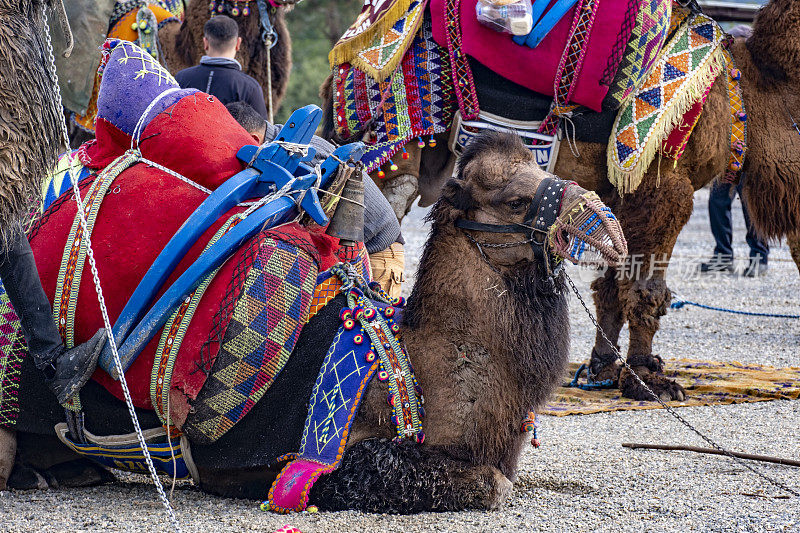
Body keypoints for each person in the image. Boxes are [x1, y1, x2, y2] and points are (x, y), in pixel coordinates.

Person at [226, 101, 406, 298]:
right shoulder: (287, 149)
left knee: (370, 323)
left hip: (379, 253)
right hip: (355, 252)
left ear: (253, 139)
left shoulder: (301, 154)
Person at [700, 24, 768, 278]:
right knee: (718, 202)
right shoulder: (722, 78)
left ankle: (759, 256)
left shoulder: (761, 82)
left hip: (751, 156)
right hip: (727, 156)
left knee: (752, 205)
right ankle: (723, 256)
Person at [175, 15, 268, 118]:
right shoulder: (250, 88)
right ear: (238, 43)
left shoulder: (181, 78)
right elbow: (260, 131)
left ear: (205, 42)